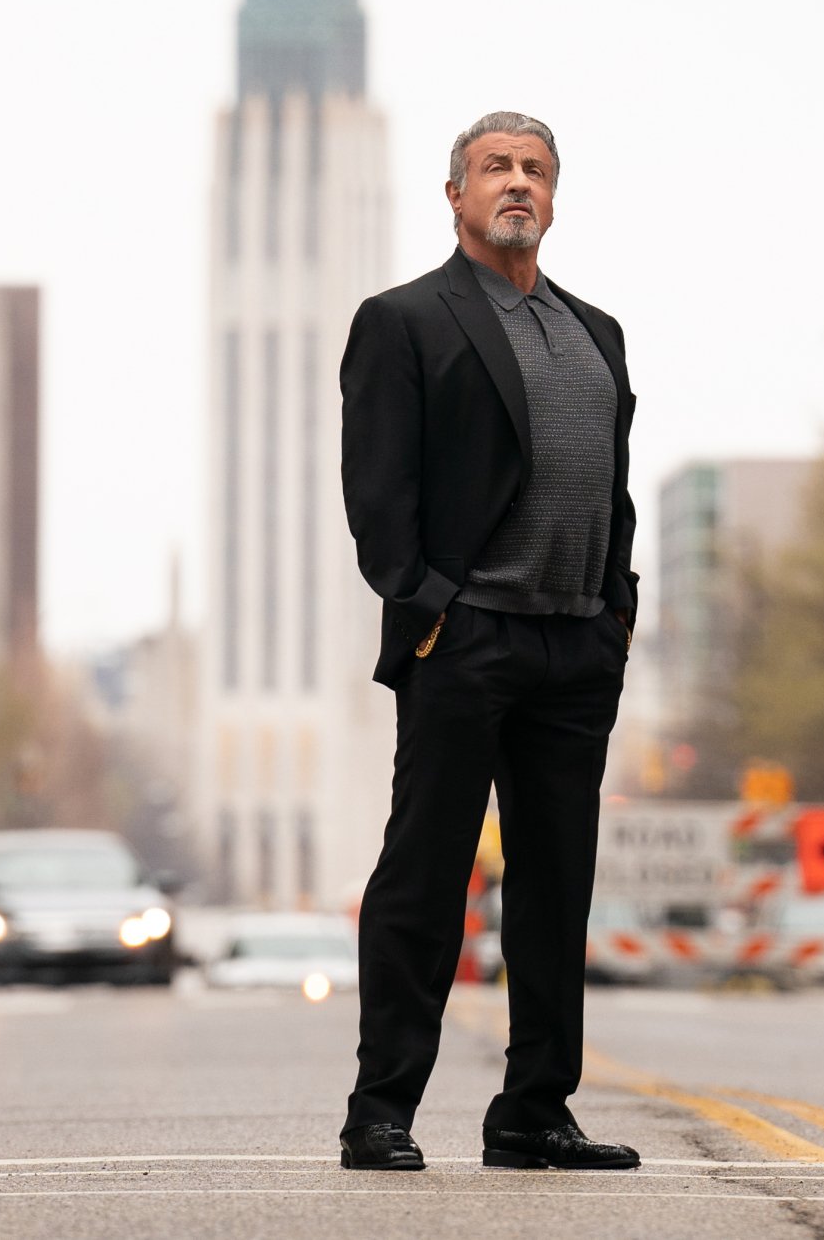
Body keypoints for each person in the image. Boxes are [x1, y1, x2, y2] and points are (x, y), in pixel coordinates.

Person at [335, 110, 640, 1173]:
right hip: (464, 642)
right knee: (425, 877)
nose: (518, 182)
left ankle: (533, 1111)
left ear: (555, 197)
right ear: (456, 194)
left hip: (573, 649)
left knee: (557, 890)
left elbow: (616, 484)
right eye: (496, 167)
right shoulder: (405, 320)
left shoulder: (596, 331)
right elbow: (378, 491)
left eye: (536, 169)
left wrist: (617, 608)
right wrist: (428, 608)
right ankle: (381, 1109)